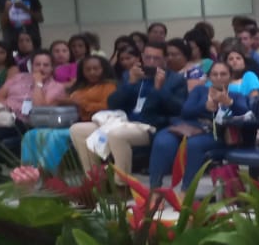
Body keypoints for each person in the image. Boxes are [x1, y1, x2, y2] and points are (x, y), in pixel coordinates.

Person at [70, 42, 189, 181]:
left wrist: (160, 89)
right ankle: (94, 180)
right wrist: (130, 84)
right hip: (123, 121)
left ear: (164, 60)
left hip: (151, 125)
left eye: (156, 59)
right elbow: (112, 103)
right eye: (148, 57)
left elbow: (179, 109)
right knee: (77, 129)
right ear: (142, 57)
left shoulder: (175, 79)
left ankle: (122, 183)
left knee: (117, 135)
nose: (151, 62)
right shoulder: (131, 75)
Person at [148, 60, 248, 190]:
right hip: (188, 128)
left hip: (214, 133)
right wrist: (204, 106)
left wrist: (229, 103)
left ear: (230, 76)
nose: (218, 78)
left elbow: (246, 114)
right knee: (163, 139)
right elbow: (185, 111)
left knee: (194, 145)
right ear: (209, 77)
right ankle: (155, 189)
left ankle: (186, 190)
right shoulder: (200, 91)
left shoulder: (236, 96)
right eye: (215, 74)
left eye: (223, 74)